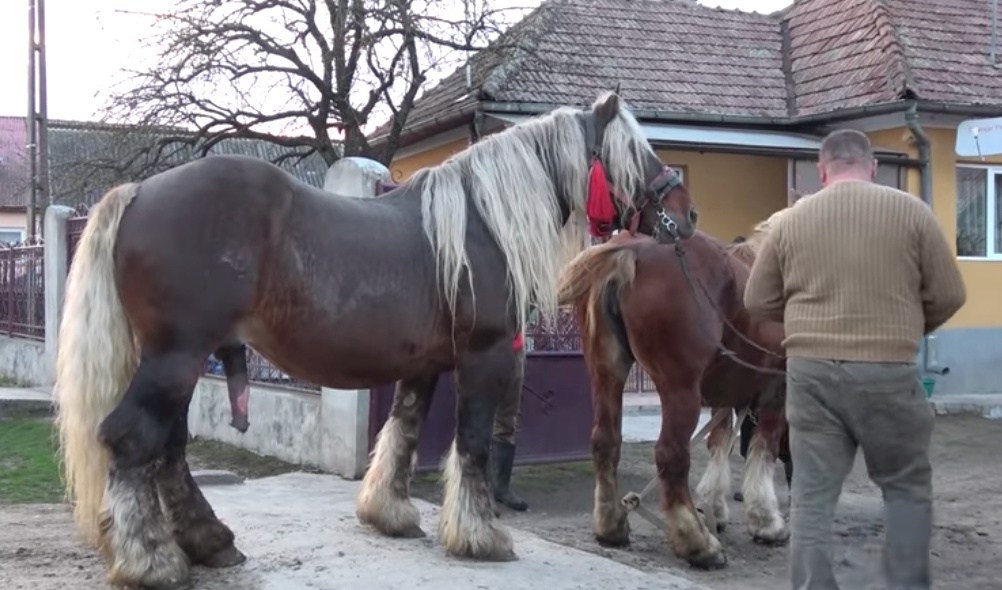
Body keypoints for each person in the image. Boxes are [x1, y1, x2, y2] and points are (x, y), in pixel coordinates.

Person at [742, 128, 966, 590]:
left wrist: (808, 327)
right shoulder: (912, 213)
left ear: (822, 171)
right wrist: (903, 330)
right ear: (873, 167)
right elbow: (949, 294)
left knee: (811, 498)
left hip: (810, 374)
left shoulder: (791, 222)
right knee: (905, 489)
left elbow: (757, 300)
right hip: (889, 371)